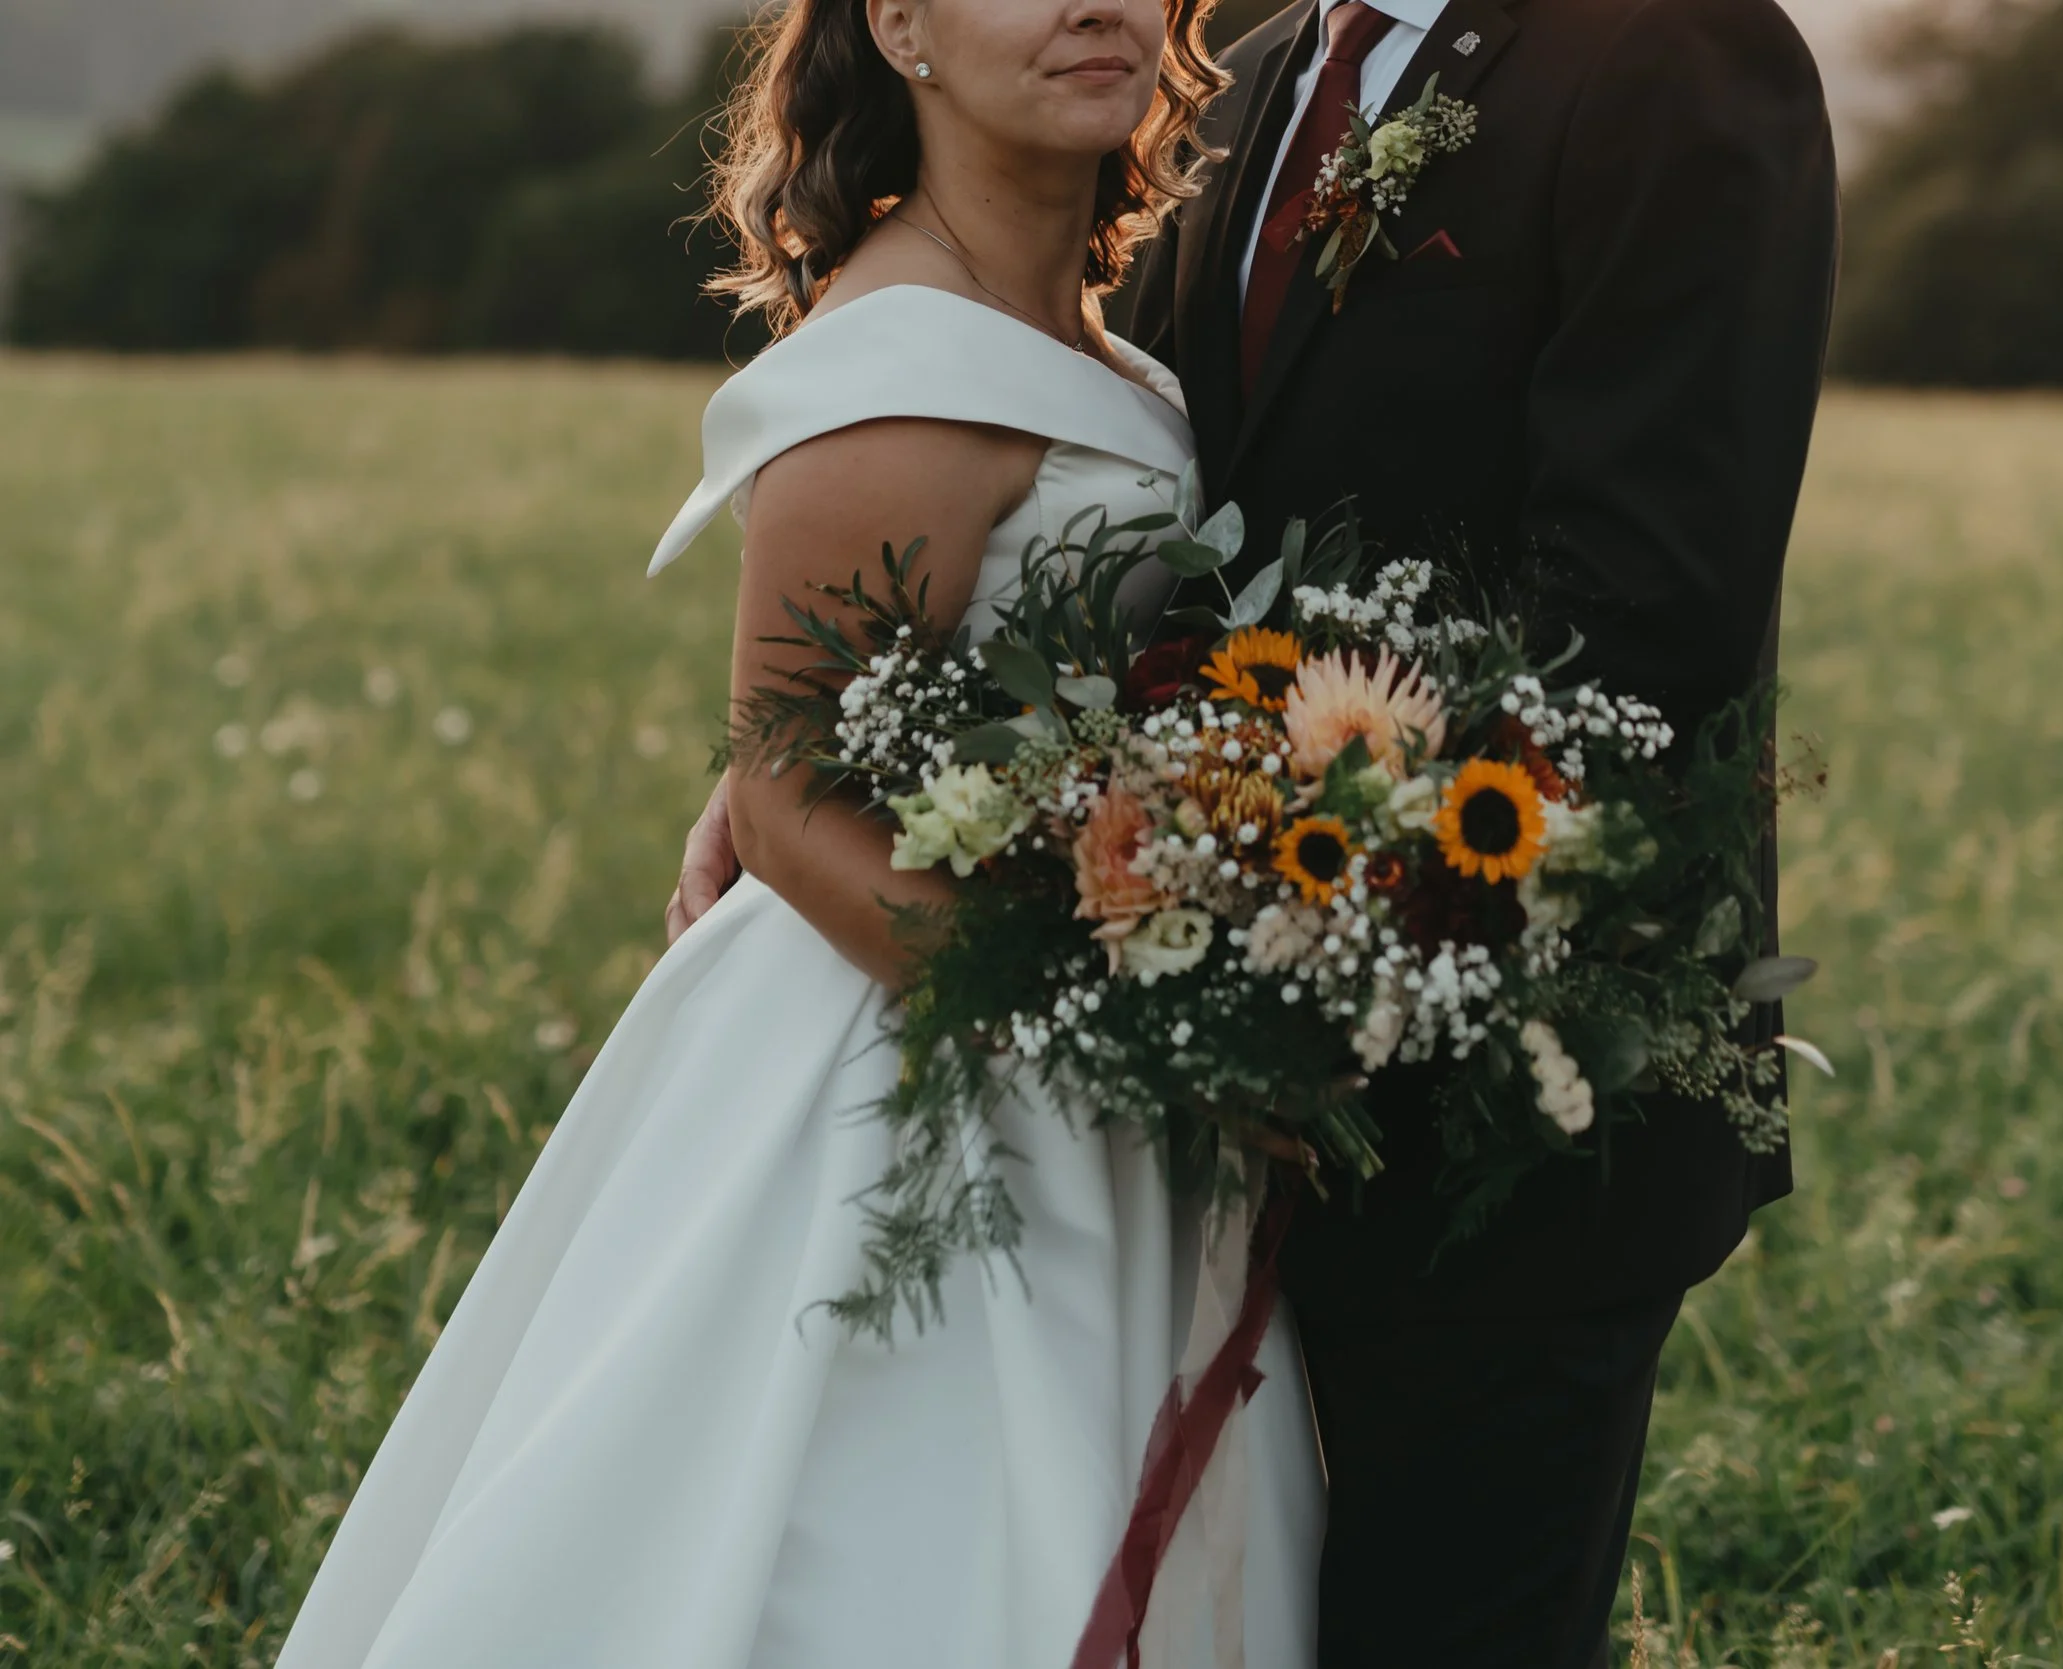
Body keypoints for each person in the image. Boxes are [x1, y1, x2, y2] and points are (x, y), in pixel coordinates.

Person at [672, 0, 1840, 1660]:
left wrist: (1321, 959)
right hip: (1173, 1106)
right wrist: (827, 749)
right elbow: (1116, 541)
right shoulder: (1251, 79)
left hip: (1501, 1108)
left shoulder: (1671, 52)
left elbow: (1651, 626)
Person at [275, 1, 1322, 1665]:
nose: (1096, 1)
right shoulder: (902, 358)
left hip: (1089, 1012)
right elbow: (782, 789)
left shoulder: (1101, 338)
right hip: (911, 1049)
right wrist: (1126, 1043)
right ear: (900, 25)